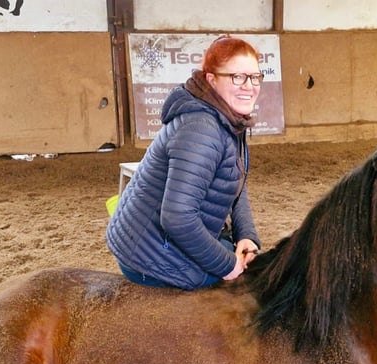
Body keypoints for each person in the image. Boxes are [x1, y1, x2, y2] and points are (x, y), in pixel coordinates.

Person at [106, 35, 264, 290]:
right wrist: (227, 265)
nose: (249, 86)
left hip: (163, 239)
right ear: (211, 79)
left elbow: (235, 180)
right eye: (237, 77)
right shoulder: (202, 129)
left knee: (248, 264)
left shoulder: (228, 119)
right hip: (150, 254)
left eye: (255, 77)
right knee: (243, 287)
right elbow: (177, 217)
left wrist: (246, 235)